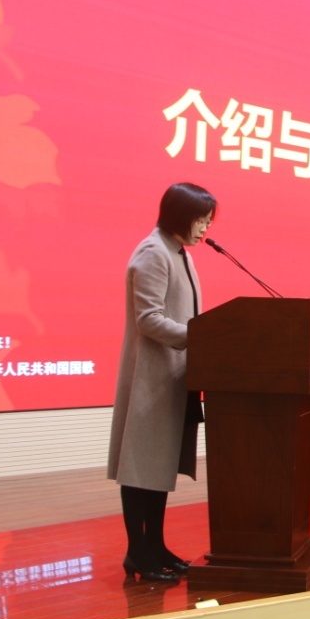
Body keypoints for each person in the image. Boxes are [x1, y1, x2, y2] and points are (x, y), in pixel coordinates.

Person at [107, 182, 216, 582]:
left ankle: (155, 545)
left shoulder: (178, 252)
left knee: (157, 469)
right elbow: (148, 318)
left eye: (208, 221)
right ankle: (137, 552)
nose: (205, 228)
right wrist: (199, 337)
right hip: (150, 379)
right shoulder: (153, 252)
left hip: (173, 378)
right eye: (200, 220)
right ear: (180, 216)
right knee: (141, 469)